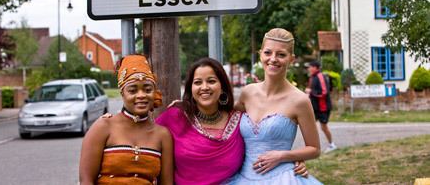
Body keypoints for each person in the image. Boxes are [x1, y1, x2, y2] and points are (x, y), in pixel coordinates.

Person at [101, 57, 309, 184]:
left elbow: (264, 145)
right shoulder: (175, 118)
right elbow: (143, 134)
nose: (204, 87)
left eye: (211, 81)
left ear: (222, 86)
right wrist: (114, 122)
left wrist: (291, 162)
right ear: (190, 88)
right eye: (197, 82)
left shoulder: (240, 122)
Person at [228, 28, 322, 184]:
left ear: (291, 59)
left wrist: (284, 156)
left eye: (281, 54)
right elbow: (221, 118)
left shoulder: (300, 100)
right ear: (260, 54)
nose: (273, 59)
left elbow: (314, 149)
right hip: (243, 178)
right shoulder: (247, 93)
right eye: (268, 53)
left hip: (282, 178)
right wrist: (185, 106)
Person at [79, 54, 173, 185]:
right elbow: (86, 180)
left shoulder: (162, 135)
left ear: (154, 92)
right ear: (122, 93)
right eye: (133, 90)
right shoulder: (103, 127)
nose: (141, 95)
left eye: (147, 89)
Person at [306, 60, 337, 153]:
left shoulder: (320, 76)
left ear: (315, 67)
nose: (309, 68)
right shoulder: (313, 77)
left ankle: (332, 145)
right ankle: (311, 147)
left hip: (323, 107)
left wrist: (311, 92)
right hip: (315, 107)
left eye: (310, 66)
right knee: (309, 125)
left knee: (323, 127)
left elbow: (324, 92)